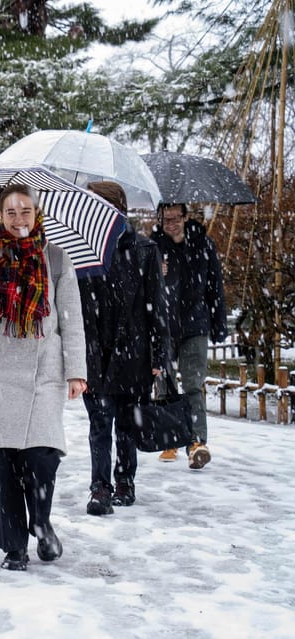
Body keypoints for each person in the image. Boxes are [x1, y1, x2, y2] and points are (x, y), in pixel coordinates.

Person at [0, 184, 87, 571]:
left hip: (44, 371)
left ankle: (41, 520)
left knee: (43, 455)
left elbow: (72, 321)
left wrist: (76, 371)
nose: (18, 220)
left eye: (25, 211)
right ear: (0, 216)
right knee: (4, 463)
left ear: (36, 214)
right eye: (10, 213)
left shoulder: (58, 262)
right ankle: (14, 547)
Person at [79, 181, 171, 516]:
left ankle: (124, 481)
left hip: (134, 353)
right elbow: (73, 308)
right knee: (100, 424)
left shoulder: (144, 249)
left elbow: (157, 307)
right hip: (95, 351)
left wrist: (160, 356)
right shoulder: (82, 251)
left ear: (115, 208)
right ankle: (100, 487)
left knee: (128, 424)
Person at [151, 203, 228, 469]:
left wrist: (219, 324)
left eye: (174, 218)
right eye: (165, 219)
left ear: (185, 217)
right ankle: (170, 438)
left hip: (195, 324)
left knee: (193, 384)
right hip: (164, 325)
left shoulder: (203, 245)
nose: (170, 224)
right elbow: (145, 287)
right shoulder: (154, 246)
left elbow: (214, 285)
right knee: (165, 383)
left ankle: (197, 443)